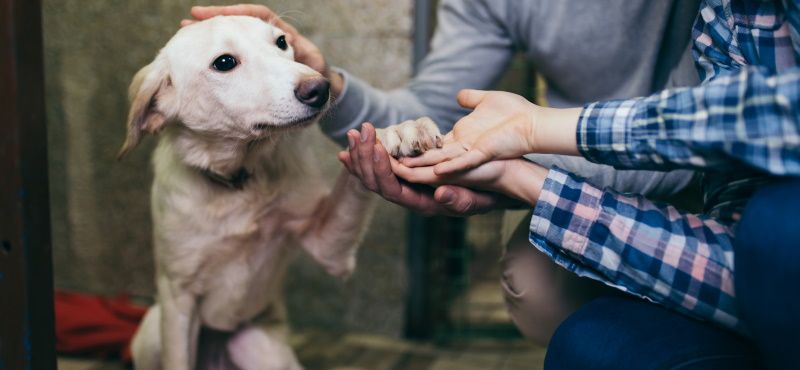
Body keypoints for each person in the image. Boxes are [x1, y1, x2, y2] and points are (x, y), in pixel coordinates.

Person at [343, 0, 799, 368]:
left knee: (775, 227)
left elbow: (718, 134)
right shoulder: (726, 16)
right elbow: (743, 252)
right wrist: (330, 90)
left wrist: (535, 133)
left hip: (684, 176)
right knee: (580, 339)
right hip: (614, 167)